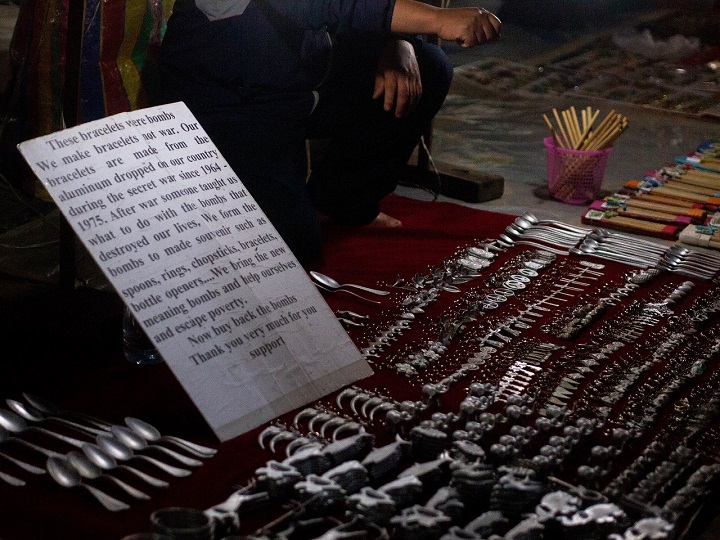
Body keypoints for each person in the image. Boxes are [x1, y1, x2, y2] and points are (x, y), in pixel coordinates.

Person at [159, 0, 501, 265]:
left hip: (301, 81)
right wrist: (437, 20)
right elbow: (329, 4)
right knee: (290, 247)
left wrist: (399, 40)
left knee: (427, 67)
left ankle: (341, 204)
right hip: (232, 101)